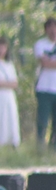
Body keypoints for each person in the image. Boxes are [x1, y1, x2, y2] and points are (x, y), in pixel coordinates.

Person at [34, 17, 56, 149]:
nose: (53, 30)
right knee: (42, 120)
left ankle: (53, 149)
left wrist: (50, 61)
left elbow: (49, 62)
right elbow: (44, 63)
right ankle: (39, 147)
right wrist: (48, 62)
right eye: (50, 27)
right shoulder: (40, 44)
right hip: (44, 88)